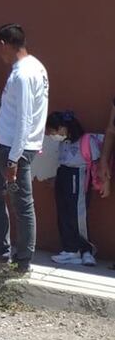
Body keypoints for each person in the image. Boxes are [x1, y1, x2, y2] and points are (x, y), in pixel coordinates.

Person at [0, 24, 48, 273]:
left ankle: (22, 262)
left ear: (3, 44)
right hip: (10, 146)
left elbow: (24, 119)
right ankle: (2, 252)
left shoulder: (22, 74)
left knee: (22, 204)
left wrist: (13, 160)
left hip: (14, 150)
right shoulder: (35, 67)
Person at [45, 111, 99, 266]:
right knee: (64, 212)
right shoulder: (64, 142)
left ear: (63, 128)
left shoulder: (86, 140)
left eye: (53, 131)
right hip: (64, 174)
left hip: (78, 176)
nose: (52, 135)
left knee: (77, 214)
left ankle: (85, 250)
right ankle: (70, 249)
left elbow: (96, 162)